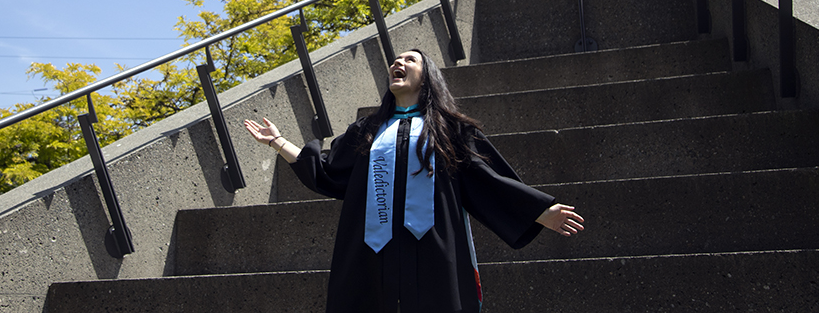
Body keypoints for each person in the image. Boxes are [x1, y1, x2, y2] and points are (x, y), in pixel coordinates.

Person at [245, 48, 583, 313]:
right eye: (395, 60)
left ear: (427, 77)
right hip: (370, 250)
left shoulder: (449, 129)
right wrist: (277, 142)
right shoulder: (367, 131)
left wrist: (538, 211)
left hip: (432, 246)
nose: (398, 62)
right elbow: (329, 171)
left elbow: (486, 179)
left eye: (409, 59)